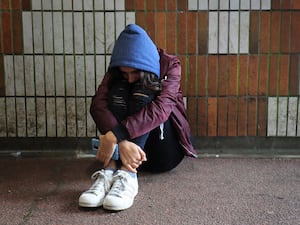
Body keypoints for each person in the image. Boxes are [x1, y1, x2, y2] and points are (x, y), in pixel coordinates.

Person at [79, 24, 197, 211]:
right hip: (125, 152)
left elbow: (161, 109)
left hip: (164, 151)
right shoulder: (118, 67)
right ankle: (109, 171)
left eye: (135, 72)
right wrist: (122, 142)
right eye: (126, 73)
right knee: (117, 89)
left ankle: (128, 175)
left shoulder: (170, 65)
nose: (131, 78)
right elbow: (98, 105)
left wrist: (114, 135)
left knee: (146, 87)